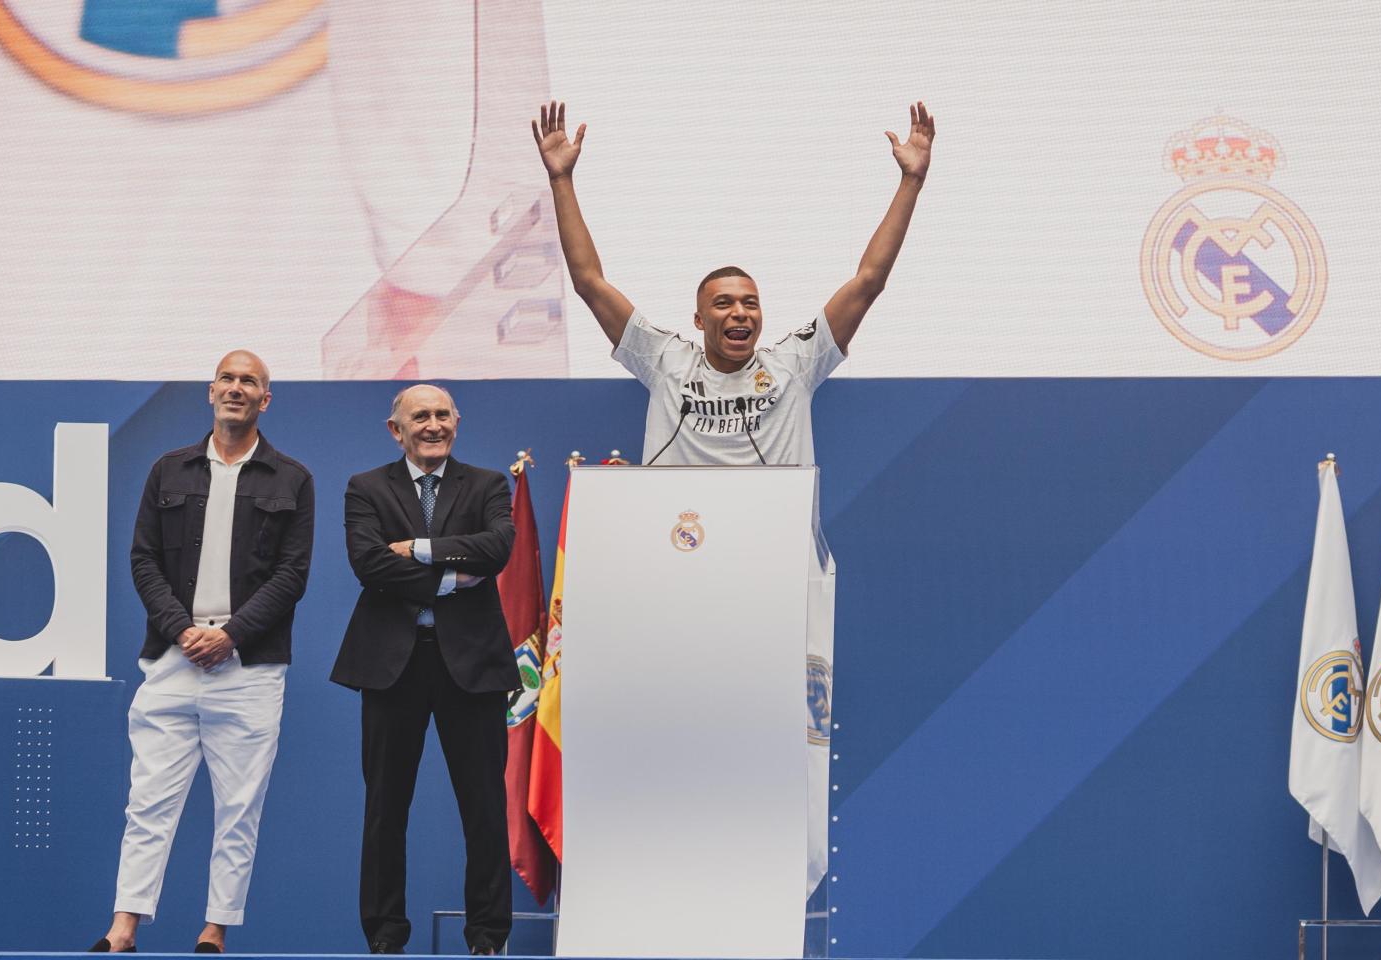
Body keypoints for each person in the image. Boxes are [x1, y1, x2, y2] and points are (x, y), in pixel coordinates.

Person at [531, 99, 936, 465]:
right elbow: (589, 282)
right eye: (723, 304)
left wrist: (911, 181)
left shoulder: (794, 366)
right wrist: (561, 180)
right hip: (683, 540)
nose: (739, 311)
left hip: (776, 542)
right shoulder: (664, 361)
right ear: (699, 319)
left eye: (750, 303)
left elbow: (868, 282)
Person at [91, 351, 314, 954]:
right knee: (148, 802)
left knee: (239, 807)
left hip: (249, 667)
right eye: (228, 379)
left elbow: (292, 576)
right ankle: (123, 929)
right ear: (210, 391)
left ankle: (214, 931)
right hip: (172, 659)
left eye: (250, 382)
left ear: (266, 399)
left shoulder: (292, 479)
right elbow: (143, 559)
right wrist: (182, 630)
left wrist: (231, 634)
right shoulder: (169, 470)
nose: (236, 388)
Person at [331, 384, 518, 955]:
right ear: (397, 429)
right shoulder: (366, 487)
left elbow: (498, 549)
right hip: (393, 665)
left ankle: (487, 938)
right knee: (385, 809)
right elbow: (367, 563)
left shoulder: (488, 484)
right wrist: (448, 578)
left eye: (442, 415)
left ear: (456, 423)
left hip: (474, 665)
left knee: (485, 807)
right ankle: (386, 938)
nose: (432, 425)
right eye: (420, 417)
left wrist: (416, 549)